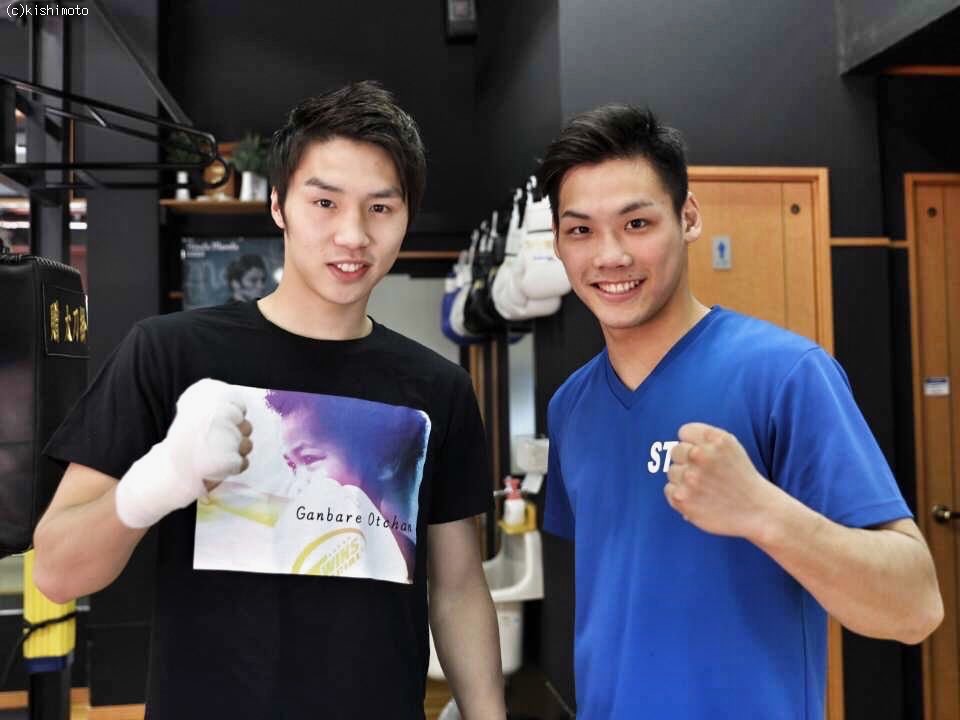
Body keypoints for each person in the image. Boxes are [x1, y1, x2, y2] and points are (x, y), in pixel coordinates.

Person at [33, 81, 505, 720]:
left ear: (406, 217)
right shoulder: (170, 354)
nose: (352, 235)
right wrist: (156, 482)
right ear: (279, 205)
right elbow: (57, 572)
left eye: (380, 208)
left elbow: (457, 590)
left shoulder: (437, 389)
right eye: (324, 202)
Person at [537, 104, 944, 718]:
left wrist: (761, 511)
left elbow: (915, 607)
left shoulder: (785, 375)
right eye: (581, 231)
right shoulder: (571, 406)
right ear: (558, 244)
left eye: (637, 223)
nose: (610, 255)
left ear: (688, 217)